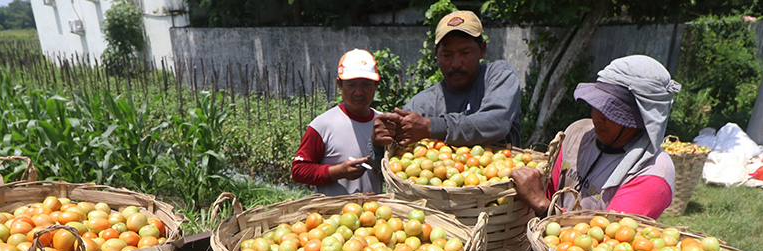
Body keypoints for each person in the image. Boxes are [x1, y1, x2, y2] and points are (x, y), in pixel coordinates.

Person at [512, 55, 682, 219]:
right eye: (597, 104)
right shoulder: (578, 134)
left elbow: (608, 241)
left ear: (641, 119)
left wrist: (541, 204)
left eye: (612, 111)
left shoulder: (652, 174)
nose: (597, 117)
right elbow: (550, 189)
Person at [372, 10, 522, 150]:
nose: (456, 63)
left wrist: (431, 127)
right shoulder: (422, 105)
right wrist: (380, 141)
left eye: (465, 52)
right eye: (447, 55)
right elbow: (392, 155)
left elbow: (495, 123)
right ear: (437, 54)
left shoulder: (498, 76)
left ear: (482, 49)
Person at [292, 49, 382, 196]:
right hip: (331, 216)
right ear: (339, 85)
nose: (359, 92)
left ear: (376, 85)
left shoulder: (383, 124)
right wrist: (337, 172)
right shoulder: (323, 126)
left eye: (366, 84)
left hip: (375, 215)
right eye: (351, 85)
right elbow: (299, 171)